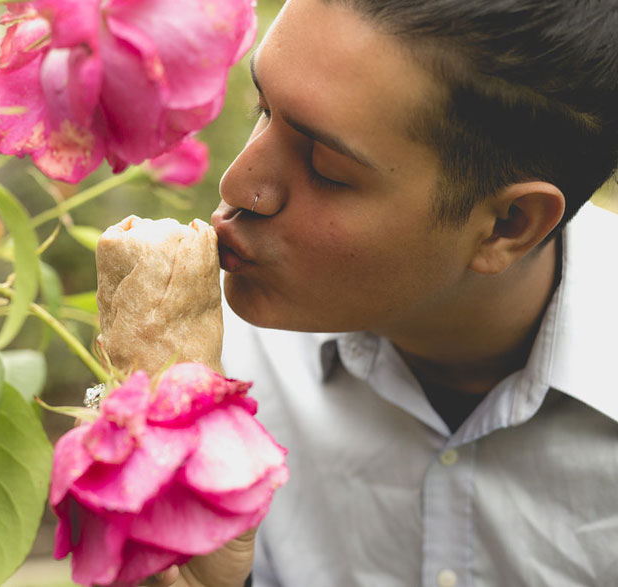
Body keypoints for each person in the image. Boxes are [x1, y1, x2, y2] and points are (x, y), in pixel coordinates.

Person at [145, 0, 618, 585]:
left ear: (509, 225)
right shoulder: (206, 369)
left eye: (325, 168)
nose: (238, 185)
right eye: (262, 108)